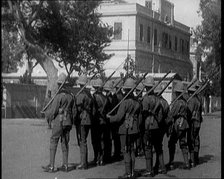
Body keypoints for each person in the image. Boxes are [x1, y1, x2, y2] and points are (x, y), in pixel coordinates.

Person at [107, 78, 141, 179]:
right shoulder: (137, 102)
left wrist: (109, 118)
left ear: (125, 90)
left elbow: (118, 117)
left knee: (126, 150)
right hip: (134, 128)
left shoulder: (124, 102)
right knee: (131, 150)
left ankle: (128, 173)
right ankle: (132, 172)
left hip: (125, 129)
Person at [42, 73, 74, 173]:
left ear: (60, 84)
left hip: (59, 121)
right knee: (65, 143)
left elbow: (53, 111)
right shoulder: (71, 96)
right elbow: (74, 111)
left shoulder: (59, 96)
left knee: (53, 141)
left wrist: (46, 114)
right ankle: (65, 165)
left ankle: (51, 166)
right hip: (68, 121)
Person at [166, 81, 191, 170]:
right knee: (183, 143)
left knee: (171, 143)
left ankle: (171, 162)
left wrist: (167, 122)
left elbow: (172, 114)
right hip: (184, 124)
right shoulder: (185, 102)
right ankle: (187, 163)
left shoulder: (178, 103)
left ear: (177, 92)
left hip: (178, 124)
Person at [141, 76, 163, 177]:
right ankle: (160, 167)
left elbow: (144, 113)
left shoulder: (146, 99)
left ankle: (149, 170)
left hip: (148, 126)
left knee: (148, 148)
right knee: (157, 147)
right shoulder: (157, 99)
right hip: (157, 126)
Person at [74, 74, 94, 170]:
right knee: (84, 141)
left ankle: (83, 163)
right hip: (88, 119)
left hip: (82, 120)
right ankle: (84, 162)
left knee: (82, 141)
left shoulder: (81, 95)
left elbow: (77, 109)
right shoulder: (89, 94)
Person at [91, 78, 109, 166]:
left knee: (95, 140)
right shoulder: (105, 98)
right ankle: (101, 159)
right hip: (104, 121)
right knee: (102, 140)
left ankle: (96, 158)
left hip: (96, 121)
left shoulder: (94, 97)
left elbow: (93, 111)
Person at [153, 84, 169, 174]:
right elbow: (169, 116)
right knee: (158, 146)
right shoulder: (165, 102)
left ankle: (162, 167)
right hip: (163, 127)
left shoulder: (157, 102)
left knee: (157, 147)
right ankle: (157, 165)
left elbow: (159, 117)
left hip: (157, 126)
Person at [187, 81, 203, 167]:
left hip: (192, 121)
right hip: (198, 121)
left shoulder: (192, 100)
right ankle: (196, 158)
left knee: (191, 140)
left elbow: (189, 112)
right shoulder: (198, 99)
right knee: (196, 140)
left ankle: (192, 160)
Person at [134, 82, 145, 157]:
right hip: (135, 119)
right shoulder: (135, 99)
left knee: (140, 135)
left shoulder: (143, 100)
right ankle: (137, 149)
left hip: (140, 119)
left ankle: (139, 149)